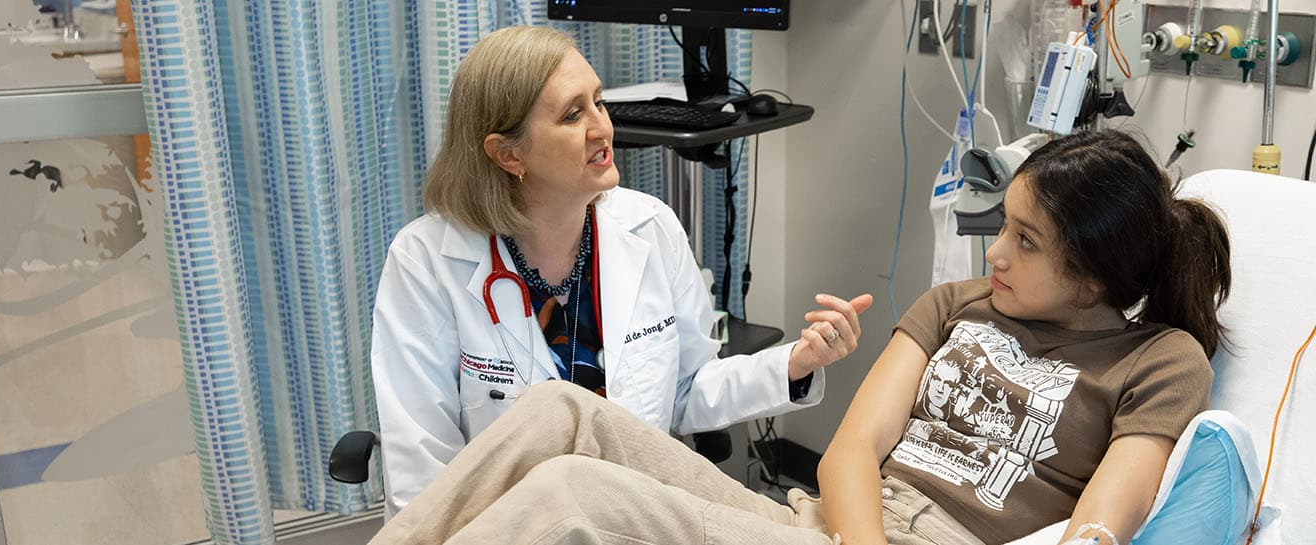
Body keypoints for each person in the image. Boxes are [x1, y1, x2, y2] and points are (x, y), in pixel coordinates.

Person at [366, 129, 1232, 545]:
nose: (994, 252)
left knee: (569, 501)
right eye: (1000, 226)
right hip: (827, 523)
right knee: (562, 413)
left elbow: (1099, 528)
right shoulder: (958, 304)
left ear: (1094, 272)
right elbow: (848, 453)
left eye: (1025, 241)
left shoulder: (1159, 358)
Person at [369, 25, 874, 516]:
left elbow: (687, 390)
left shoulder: (649, 227)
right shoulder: (426, 262)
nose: (602, 127)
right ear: (507, 153)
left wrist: (794, 364)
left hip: (638, 516)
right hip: (506, 524)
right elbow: (423, 480)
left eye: (598, 101)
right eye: (572, 115)